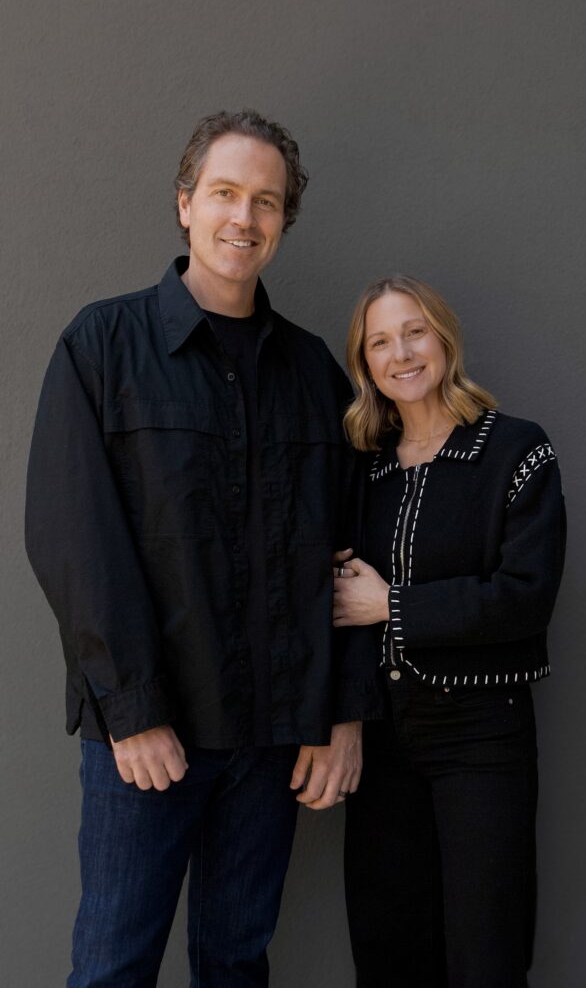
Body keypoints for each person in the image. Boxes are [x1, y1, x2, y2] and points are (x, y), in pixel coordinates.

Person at [25, 110, 380, 988]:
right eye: (224, 192)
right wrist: (133, 709)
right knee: (112, 968)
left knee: (236, 963)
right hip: (149, 737)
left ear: (283, 220)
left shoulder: (313, 374)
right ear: (185, 204)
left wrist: (341, 716)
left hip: (271, 740)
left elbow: (351, 557)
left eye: (266, 201)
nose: (243, 218)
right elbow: (74, 539)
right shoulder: (101, 347)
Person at [332, 275, 566, 988]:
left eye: (414, 332)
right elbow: (335, 597)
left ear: (443, 339)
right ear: (365, 364)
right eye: (380, 342)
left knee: (485, 950)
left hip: (481, 736)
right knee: (388, 949)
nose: (401, 354)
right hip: (382, 742)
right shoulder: (364, 469)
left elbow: (524, 598)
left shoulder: (515, 449)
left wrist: (393, 607)